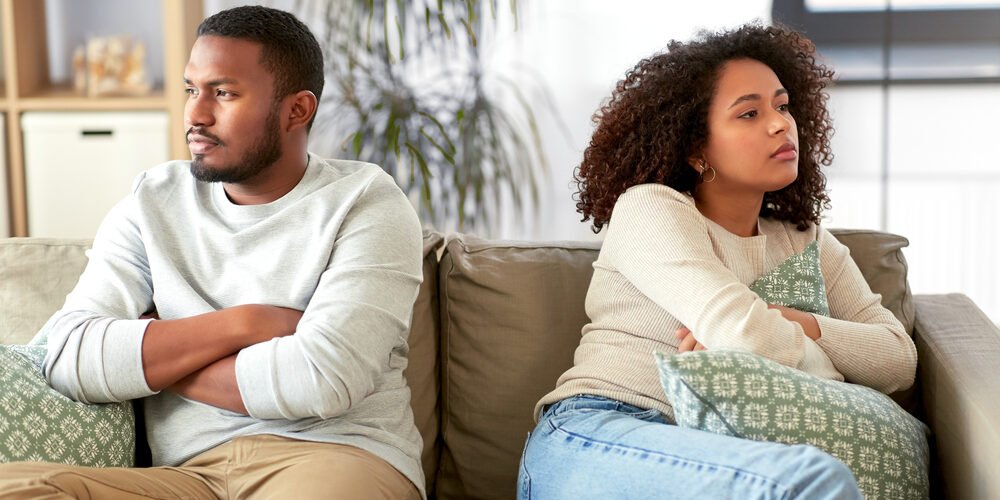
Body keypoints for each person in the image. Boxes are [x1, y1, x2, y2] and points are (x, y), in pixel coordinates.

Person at [0, 6, 424, 500]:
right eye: (190, 89)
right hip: (186, 477)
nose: (196, 115)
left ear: (297, 110)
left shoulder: (367, 202)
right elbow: (69, 356)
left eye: (223, 93)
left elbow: (322, 379)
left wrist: (156, 357)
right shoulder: (152, 200)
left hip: (333, 458)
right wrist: (242, 324)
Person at [517, 23, 917, 499]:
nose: (779, 123)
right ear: (695, 147)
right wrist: (815, 359)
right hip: (601, 433)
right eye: (749, 113)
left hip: (717, 448)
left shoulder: (807, 241)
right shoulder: (651, 208)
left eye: (783, 105)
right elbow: (740, 331)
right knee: (813, 479)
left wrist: (801, 323)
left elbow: (898, 359)